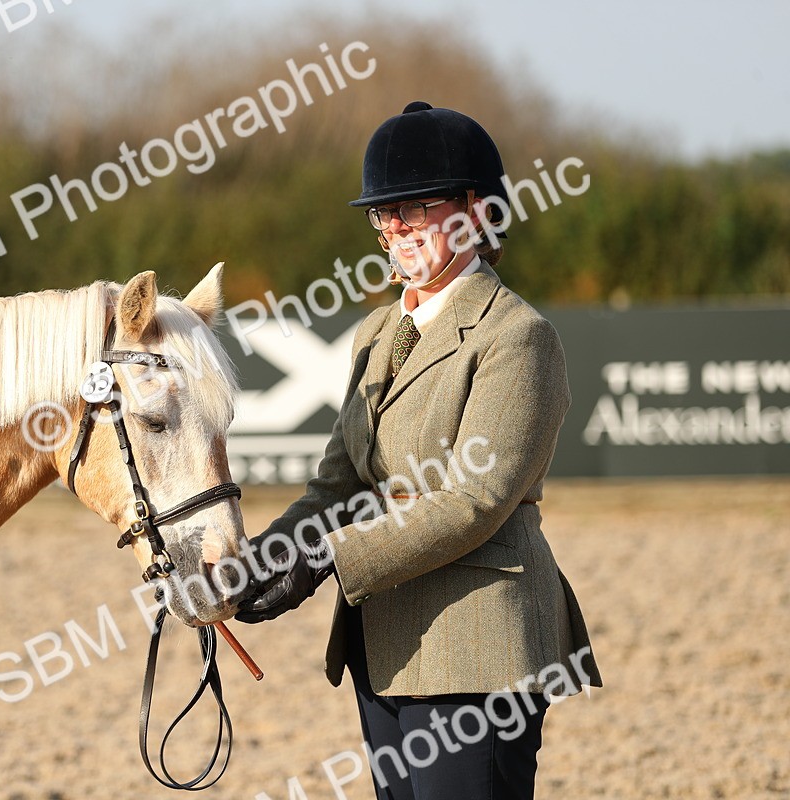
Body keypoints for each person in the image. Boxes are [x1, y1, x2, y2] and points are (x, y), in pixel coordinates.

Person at [236, 101, 602, 800]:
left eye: (416, 207)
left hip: (477, 643)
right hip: (385, 641)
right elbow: (337, 487)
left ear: (478, 210)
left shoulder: (516, 336)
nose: (395, 226)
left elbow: (474, 500)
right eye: (383, 212)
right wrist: (260, 559)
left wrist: (329, 557)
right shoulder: (375, 333)